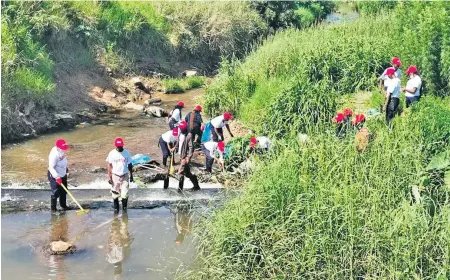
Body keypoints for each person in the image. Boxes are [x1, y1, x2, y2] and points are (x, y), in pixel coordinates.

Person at [106, 138, 133, 212]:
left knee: (124, 195)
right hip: (115, 176)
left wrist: (131, 175)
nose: (119, 148)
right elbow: (109, 165)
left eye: (120, 146)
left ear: (122, 145)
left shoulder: (126, 153)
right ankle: (116, 209)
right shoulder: (111, 153)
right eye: (118, 146)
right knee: (115, 195)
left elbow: (130, 164)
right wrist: (109, 177)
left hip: (125, 176)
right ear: (115, 146)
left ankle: (124, 210)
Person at [107, 212, 132, 279]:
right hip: (118, 242)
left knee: (120, 230)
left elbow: (109, 249)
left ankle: (119, 216)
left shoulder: (112, 259)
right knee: (122, 230)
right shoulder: (111, 260)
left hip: (117, 242)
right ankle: (121, 216)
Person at [177, 121, 200, 191]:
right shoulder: (180, 133)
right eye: (180, 129)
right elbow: (178, 142)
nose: (181, 130)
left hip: (185, 157)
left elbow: (191, 147)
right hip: (181, 155)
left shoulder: (189, 135)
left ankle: (180, 190)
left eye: (182, 129)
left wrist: (189, 157)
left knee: (180, 173)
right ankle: (196, 186)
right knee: (187, 173)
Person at [48, 138, 70, 212]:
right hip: (55, 176)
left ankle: (63, 206)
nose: (64, 150)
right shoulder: (54, 155)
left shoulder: (62, 152)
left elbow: (63, 161)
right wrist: (57, 177)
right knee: (56, 192)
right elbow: (51, 168)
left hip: (63, 174)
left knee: (64, 191)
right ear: (58, 148)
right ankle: (53, 209)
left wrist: (65, 168)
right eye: (62, 148)